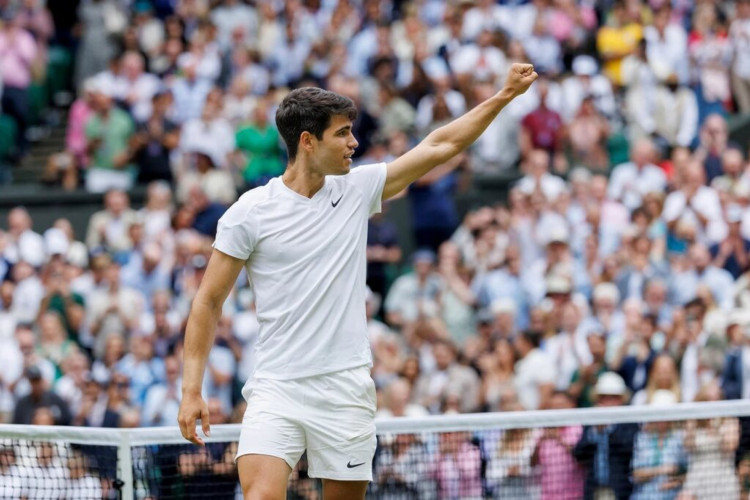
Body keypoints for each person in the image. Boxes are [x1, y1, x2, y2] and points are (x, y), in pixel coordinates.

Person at [178, 63, 538, 499]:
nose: (354, 143)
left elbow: (440, 144)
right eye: (343, 133)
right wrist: (191, 390)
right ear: (308, 142)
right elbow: (207, 302)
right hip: (277, 386)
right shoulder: (250, 212)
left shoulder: (357, 189)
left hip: (346, 388)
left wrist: (503, 96)